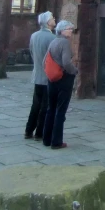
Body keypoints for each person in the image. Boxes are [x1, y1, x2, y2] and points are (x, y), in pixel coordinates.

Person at [42, 20, 77, 149]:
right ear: (61, 30)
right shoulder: (64, 43)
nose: (71, 31)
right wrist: (74, 71)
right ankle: (56, 141)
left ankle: (47, 139)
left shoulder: (54, 41)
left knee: (50, 109)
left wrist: (50, 73)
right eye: (69, 28)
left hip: (52, 80)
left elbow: (44, 61)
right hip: (63, 79)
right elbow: (66, 62)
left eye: (71, 29)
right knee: (60, 110)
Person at [24, 11, 56, 140]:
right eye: (52, 18)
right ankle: (39, 133)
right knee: (45, 105)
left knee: (36, 104)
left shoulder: (34, 36)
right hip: (48, 76)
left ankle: (28, 130)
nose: (54, 19)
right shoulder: (52, 38)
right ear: (48, 22)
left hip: (37, 74)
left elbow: (32, 51)